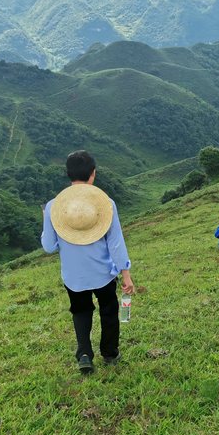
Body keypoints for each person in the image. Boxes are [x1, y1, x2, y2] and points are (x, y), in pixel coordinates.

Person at [41, 150, 135, 375]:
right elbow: (116, 243)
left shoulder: (53, 207)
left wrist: (46, 219)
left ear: (67, 174)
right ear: (93, 174)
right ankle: (110, 352)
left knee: (80, 311)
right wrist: (126, 275)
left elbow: (49, 246)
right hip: (103, 273)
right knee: (109, 310)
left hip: (74, 276)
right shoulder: (107, 204)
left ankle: (84, 354)